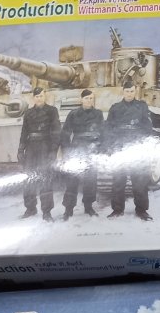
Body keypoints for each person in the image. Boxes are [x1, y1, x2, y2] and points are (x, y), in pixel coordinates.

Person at [104, 79, 155, 220]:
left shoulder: (142, 106)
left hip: (136, 147)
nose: (129, 94)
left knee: (139, 181)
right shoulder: (115, 108)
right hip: (120, 147)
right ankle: (117, 210)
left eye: (132, 91)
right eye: (127, 91)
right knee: (118, 180)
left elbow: (148, 127)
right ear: (123, 92)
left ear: (135, 91)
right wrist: (110, 146)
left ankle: (141, 210)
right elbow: (108, 128)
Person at [60, 89, 104, 219]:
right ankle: (68, 209)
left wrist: (100, 149)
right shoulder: (73, 114)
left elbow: (103, 132)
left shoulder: (98, 114)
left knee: (90, 180)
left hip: (91, 150)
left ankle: (88, 207)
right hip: (77, 149)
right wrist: (67, 151)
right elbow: (65, 133)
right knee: (72, 180)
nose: (89, 101)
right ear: (81, 99)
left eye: (91, 98)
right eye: (86, 98)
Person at [18, 86, 60, 221]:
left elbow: (56, 132)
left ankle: (47, 212)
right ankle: (30, 208)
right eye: (37, 96)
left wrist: (53, 151)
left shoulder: (52, 111)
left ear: (44, 96)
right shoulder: (28, 113)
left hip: (45, 147)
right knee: (28, 178)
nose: (39, 98)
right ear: (33, 98)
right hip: (31, 148)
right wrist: (20, 150)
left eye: (41, 96)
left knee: (45, 179)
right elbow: (24, 132)